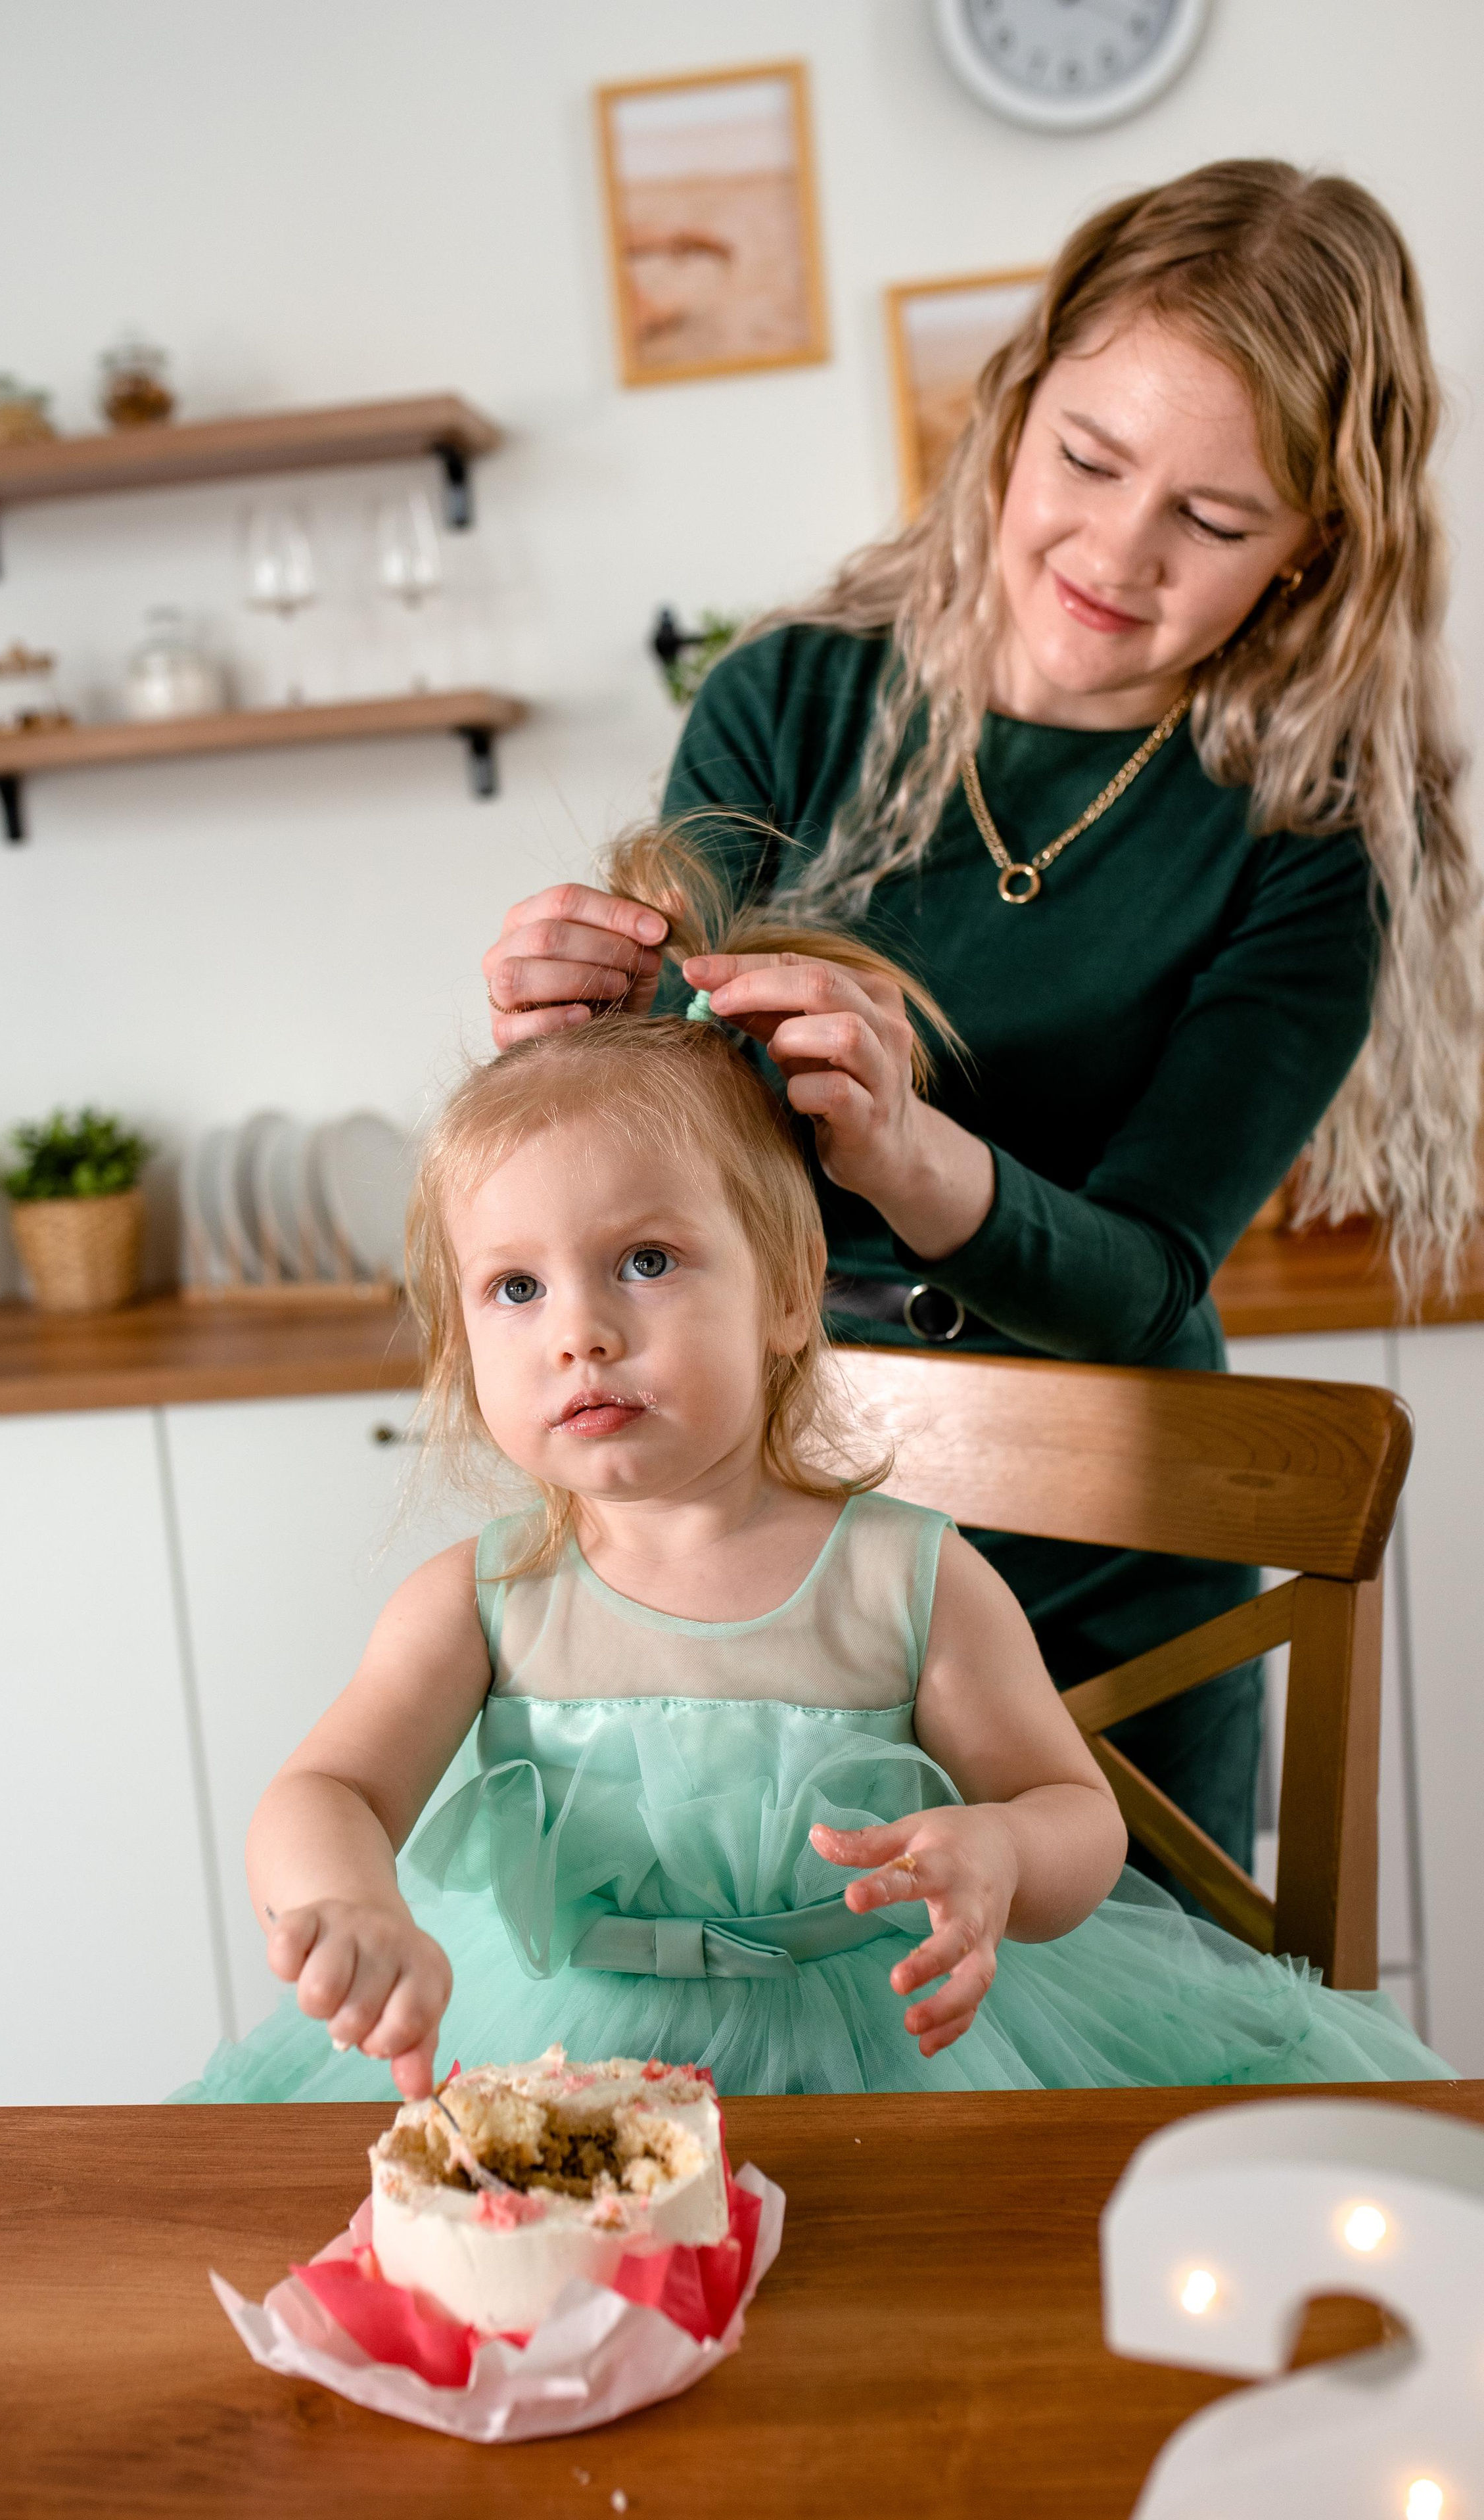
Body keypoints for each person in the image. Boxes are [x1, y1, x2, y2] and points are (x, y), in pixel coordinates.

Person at [479, 160, 1484, 1899]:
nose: (1116, 551)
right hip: (768, 1530)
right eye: (1089, 461)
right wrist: (560, 1046)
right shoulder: (790, 701)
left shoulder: (1313, 842)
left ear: (1317, 546)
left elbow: (1143, 1282)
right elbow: (652, 1141)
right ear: (1013, 409)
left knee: (1128, 2080)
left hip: (1113, 1552)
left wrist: (906, 1147)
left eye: (1215, 520)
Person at [175, 829, 1447, 2103]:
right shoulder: (477, 1599)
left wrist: (999, 1852)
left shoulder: (908, 1578)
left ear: (789, 1296)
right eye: (514, 1287)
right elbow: (325, 1791)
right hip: (559, 2070)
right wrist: (346, 1905)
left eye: (647, 1261)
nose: (580, 1332)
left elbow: (1076, 1815)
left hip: (890, 2077)